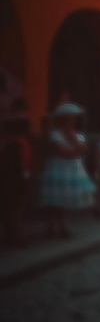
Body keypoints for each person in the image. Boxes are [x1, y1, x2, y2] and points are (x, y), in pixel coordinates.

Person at [40, 103, 95, 238]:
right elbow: (61, 152)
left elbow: (83, 149)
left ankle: (63, 226)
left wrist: (73, 140)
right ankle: (52, 226)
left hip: (72, 170)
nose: (72, 121)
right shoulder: (55, 135)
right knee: (55, 200)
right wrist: (76, 151)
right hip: (58, 169)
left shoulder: (78, 135)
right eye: (69, 118)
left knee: (67, 200)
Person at [0, 105, 32, 246]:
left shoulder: (7, 143)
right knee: (17, 209)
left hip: (7, 179)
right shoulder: (21, 143)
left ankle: (9, 234)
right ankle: (17, 237)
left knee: (9, 208)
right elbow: (24, 162)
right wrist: (26, 177)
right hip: (18, 179)